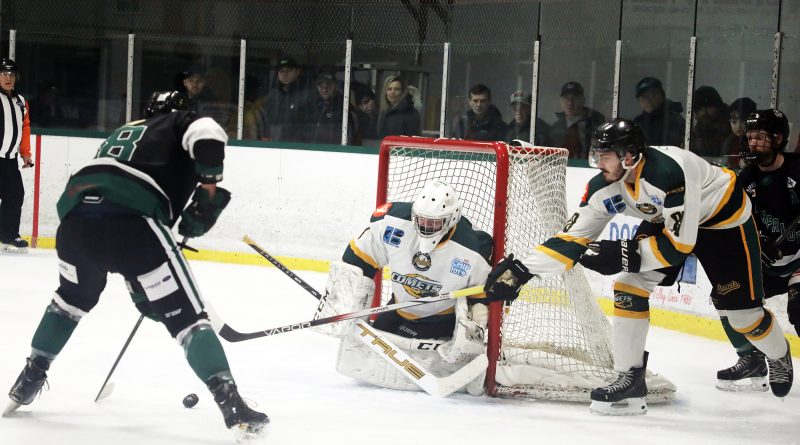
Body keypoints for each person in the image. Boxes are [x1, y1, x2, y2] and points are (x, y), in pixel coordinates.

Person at [484, 118, 794, 416]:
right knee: (628, 286)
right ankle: (630, 378)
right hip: (669, 219)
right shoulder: (604, 185)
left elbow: (677, 248)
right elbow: (571, 239)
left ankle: (779, 356)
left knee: (744, 316)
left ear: (629, 156)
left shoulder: (668, 175)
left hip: (723, 220)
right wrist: (521, 270)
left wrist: (621, 254)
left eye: (604, 157)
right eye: (596, 155)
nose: (597, 164)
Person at [4, 91, 269, 437]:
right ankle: (232, 404)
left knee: (69, 301)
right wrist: (208, 185)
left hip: (74, 223)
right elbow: (209, 132)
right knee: (189, 321)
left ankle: (30, 376)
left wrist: (140, 285)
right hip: (133, 221)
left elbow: (115, 233)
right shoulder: (177, 122)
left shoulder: (125, 133)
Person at [312, 180, 510, 394]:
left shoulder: (473, 249)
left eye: (433, 222)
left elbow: (481, 296)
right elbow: (358, 257)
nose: (425, 226)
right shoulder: (393, 221)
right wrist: (343, 299)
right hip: (397, 308)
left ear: (452, 219)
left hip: (440, 320)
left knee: (393, 354)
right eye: (421, 219)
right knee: (367, 351)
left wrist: (473, 328)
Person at [717, 109, 799, 392]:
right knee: (725, 292)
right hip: (770, 263)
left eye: (759, 137)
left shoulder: (797, 171)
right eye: (749, 137)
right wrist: (756, 243)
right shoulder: (745, 179)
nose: (751, 143)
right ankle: (750, 357)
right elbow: (735, 224)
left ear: (778, 139)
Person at [0, 58, 33, 252]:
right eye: (4, 74)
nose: (8, 78)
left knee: (15, 196)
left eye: (11, 74)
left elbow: (25, 128)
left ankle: (9, 235)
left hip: (10, 161)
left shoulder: (21, 102)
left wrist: (25, 153)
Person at [547, 81, 606, 159]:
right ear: (561, 101)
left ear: (583, 100)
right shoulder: (556, 127)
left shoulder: (596, 123)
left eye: (574, 98)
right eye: (566, 98)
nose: (570, 102)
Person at [262, 57, 308, 142]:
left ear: (297, 72)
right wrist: (265, 135)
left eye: (289, 70)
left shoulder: (307, 95)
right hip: (274, 144)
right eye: (281, 71)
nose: (285, 74)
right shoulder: (272, 95)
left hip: (298, 145)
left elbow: (308, 125)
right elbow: (266, 120)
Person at [302, 70, 355, 145]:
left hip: (333, 151)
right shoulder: (308, 105)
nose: (324, 90)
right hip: (308, 150)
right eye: (321, 86)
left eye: (328, 85)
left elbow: (350, 134)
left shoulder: (344, 106)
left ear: (335, 85)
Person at [631, 77, 685, 147]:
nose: (648, 100)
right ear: (638, 101)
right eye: (643, 97)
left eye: (652, 94)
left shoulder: (675, 120)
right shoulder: (637, 123)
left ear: (661, 95)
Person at [690, 85, 731, 159]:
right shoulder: (695, 133)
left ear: (718, 106)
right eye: (699, 109)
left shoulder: (732, 128)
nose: (704, 112)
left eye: (709, 107)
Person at [721, 97, 757, 169]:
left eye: (742, 121)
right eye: (734, 122)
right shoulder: (729, 142)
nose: (738, 126)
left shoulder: (756, 141)